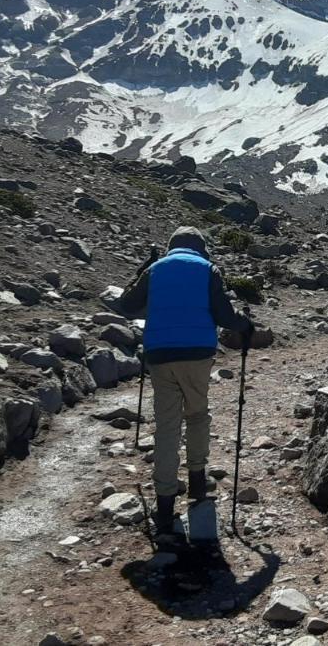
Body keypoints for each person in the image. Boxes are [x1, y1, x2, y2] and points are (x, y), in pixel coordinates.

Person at [120, 226, 254, 535]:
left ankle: (164, 503)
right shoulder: (207, 268)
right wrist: (245, 324)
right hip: (197, 353)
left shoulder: (155, 269)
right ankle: (197, 482)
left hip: (159, 354)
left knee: (167, 426)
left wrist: (141, 272)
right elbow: (223, 315)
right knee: (196, 414)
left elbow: (126, 306)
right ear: (201, 248)